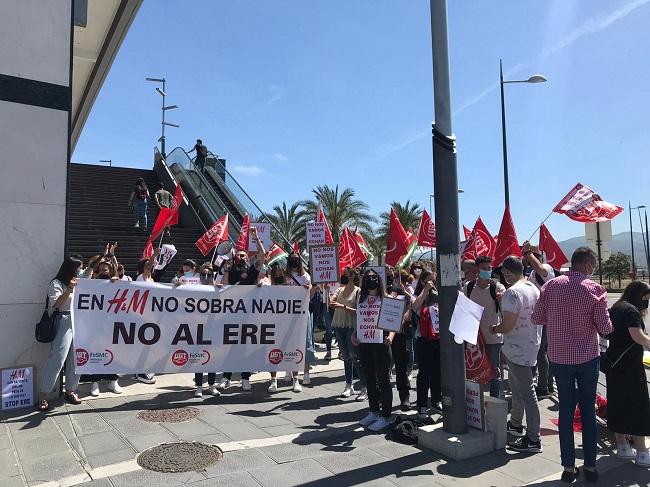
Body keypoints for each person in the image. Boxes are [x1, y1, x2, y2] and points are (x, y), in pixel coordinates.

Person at [532, 247, 613, 483]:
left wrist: (558, 320)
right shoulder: (595, 290)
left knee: (566, 412)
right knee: (587, 411)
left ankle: (568, 468)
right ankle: (590, 467)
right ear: (588, 265)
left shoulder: (551, 286)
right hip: (587, 358)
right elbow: (605, 328)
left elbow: (537, 318)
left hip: (558, 358)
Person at [492, 256, 542, 453]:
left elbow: (508, 324)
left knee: (527, 393)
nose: (503, 275)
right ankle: (515, 423)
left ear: (507, 272)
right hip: (531, 343)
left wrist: (495, 328)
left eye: (504, 272)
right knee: (517, 388)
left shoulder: (512, 293)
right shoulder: (533, 288)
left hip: (517, 347)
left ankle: (533, 438)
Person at [605, 281, 650, 467]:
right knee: (638, 405)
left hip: (613, 363)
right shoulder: (631, 311)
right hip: (630, 366)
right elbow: (637, 336)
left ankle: (622, 447)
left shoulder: (615, 308)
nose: (647, 302)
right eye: (646, 298)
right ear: (638, 295)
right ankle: (642, 452)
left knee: (617, 403)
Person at [216, 227, 266, 391]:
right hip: (232, 314)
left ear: (248, 258)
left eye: (243, 255)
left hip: (249, 315)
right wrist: (227, 269)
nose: (241, 257)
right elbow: (223, 286)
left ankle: (245, 378)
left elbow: (263, 255)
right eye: (239, 255)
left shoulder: (253, 271)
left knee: (246, 347)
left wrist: (256, 237)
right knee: (230, 346)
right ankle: (226, 377)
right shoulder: (231, 271)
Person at [37, 256, 84, 411]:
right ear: (70, 268)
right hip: (63, 320)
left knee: (76, 359)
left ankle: (71, 390)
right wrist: (70, 288)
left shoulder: (80, 280)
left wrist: (108, 256)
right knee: (58, 358)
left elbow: (93, 272)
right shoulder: (56, 283)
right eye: (78, 268)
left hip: (78, 320)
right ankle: (43, 395)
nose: (80, 270)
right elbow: (56, 303)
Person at [353, 269, 393, 432]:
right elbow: (360, 319)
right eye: (368, 277)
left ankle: (386, 416)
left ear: (379, 280)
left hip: (381, 343)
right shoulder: (360, 298)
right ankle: (374, 411)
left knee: (383, 380)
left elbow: (393, 322)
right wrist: (354, 334)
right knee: (369, 378)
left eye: (374, 277)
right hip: (365, 343)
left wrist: (390, 337)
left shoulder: (386, 299)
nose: (371, 280)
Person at [464, 255, 506, 399]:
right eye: (484, 269)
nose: (487, 271)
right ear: (476, 270)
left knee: (495, 373)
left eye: (489, 268)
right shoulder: (468, 287)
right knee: (476, 373)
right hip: (474, 339)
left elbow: (506, 312)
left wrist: (502, 301)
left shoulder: (498, 287)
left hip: (493, 338)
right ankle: (477, 404)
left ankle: (495, 402)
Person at [523, 241, 556, 399]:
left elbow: (541, 269)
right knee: (544, 352)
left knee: (541, 352)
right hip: (539, 316)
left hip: (545, 318)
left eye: (532, 256)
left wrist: (528, 254)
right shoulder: (531, 273)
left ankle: (544, 387)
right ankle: (547, 384)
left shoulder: (546, 268)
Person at [265, 265, 304, 393]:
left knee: (292, 351)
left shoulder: (292, 290)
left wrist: (307, 289)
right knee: (273, 353)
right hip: (273, 325)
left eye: (280, 277)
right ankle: (273, 380)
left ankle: (296, 379)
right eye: (276, 277)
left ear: (285, 278)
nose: (278, 280)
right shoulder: (267, 290)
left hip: (289, 326)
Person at [85, 260, 122, 397]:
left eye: (105, 270)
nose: (102, 273)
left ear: (111, 271)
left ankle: (113, 380)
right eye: (100, 270)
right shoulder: (92, 284)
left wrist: (116, 282)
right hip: (95, 324)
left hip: (112, 323)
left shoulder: (117, 283)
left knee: (114, 352)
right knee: (96, 353)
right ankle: (95, 382)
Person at [331, 267, 366, 400]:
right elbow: (332, 302)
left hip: (352, 327)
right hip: (339, 326)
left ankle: (364, 387)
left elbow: (359, 311)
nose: (344, 276)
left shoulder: (358, 291)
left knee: (355, 358)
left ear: (353, 277)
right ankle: (348, 385)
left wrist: (343, 306)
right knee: (345, 357)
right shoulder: (339, 289)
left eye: (347, 274)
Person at [411, 269, 441, 418]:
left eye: (434, 280)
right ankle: (422, 405)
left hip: (439, 338)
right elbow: (415, 307)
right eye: (429, 280)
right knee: (424, 373)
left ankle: (436, 400)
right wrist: (426, 290)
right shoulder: (418, 295)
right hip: (424, 339)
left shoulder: (438, 295)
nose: (432, 283)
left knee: (438, 371)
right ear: (423, 281)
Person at [284, 252, 316, 387]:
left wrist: (311, 288)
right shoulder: (284, 276)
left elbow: (311, 297)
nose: (294, 260)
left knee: (306, 342)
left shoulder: (306, 276)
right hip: (287, 313)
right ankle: (288, 369)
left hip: (303, 313)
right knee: (287, 342)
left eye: (296, 258)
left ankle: (306, 373)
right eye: (292, 258)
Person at [386, 269, 413, 411]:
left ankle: (404, 398)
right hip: (380, 336)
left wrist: (401, 321)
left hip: (399, 334)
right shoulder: (372, 294)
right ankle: (382, 402)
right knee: (382, 369)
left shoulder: (397, 291)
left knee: (400, 368)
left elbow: (408, 308)